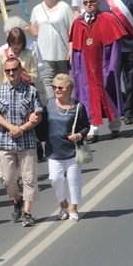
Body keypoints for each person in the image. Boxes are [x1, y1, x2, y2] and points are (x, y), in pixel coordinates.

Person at [0, 58, 43, 227]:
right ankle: (17, 199)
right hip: (6, 141)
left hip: (26, 141)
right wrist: (11, 127)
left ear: (21, 70)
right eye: (8, 71)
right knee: (7, 178)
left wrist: (22, 128)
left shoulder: (31, 91)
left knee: (29, 179)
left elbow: (38, 115)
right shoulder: (0, 90)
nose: (11, 73)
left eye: (14, 70)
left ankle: (27, 213)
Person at [69, 0, 125, 142]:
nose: (89, 5)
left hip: (104, 66)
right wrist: (76, 70)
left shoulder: (107, 19)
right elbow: (75, 51)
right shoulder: (78, 23)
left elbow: (115, 47)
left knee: (108, 93)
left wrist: (111, 67)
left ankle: (114, 124)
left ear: (98, 2)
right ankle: (92, 128)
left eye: (92, 2)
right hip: (86, 70)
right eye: (86, 3)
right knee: (87, 97)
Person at [45, 73, 89, 222]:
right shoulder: (49, 104)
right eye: (54, 87)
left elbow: (86, 127)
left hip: (72, 150)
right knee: (55, 179)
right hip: (53, 150)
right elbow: (43, 125)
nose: (56, 90)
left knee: (73, 180)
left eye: (60, 88)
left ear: (69, 90)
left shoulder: (77, 107)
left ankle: (73, 207)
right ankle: (63, 203)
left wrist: (78, 135)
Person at [26, 0, 73, 99]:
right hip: (44, 54)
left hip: (62, 54)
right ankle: (53, 109)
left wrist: (71, 50)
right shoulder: (37, 9)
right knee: (47, 83)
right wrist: (27, 27)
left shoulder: (64, 7)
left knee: (63, 84)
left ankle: (65, 108)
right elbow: (35, 32)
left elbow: (71, 31)